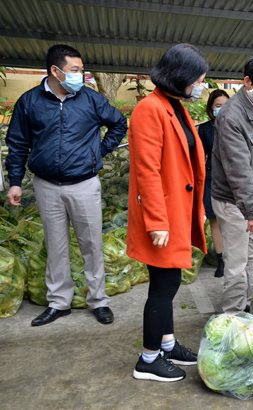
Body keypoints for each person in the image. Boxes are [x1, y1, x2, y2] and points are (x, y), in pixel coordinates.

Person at [5, 44, 127, 326]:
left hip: (84, 184)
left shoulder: (91, 100)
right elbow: (18, 143)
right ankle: (59, 303)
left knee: (92, 244)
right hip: (47, 185)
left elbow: (119, 123)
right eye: (75, 70)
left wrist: (98, 151)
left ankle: (98, 300)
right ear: (55, 71)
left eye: (82, 70)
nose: (81, 76)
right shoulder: (29, 102)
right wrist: (14, 182)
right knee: (55, 246)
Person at [126, 44, 208, 382]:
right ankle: (147, 359)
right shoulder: (150, 109)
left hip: (178, 210)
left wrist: (197, 209)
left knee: (169, 282)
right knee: (165, 284)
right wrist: (157, 221)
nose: (202, 85)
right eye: (199, 79)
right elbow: (147, 170)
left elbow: (188, 164)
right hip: (161, 214)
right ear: (181, 76)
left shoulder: (173, 105)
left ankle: (168, 344)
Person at [211, 54, 253, 313]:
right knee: (238, 264)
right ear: (248, 82)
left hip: (251, 199)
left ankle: (251, 308)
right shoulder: (231, 115)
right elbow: (238, 170)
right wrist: (252, 211)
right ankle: (233, 319)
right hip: (233, 202)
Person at [197, 89, 230, 278]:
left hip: (232, 180)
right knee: (215, 221)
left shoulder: (237, 126)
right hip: (211, 178)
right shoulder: (205, 129)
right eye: (218, 106)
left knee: (232, 220)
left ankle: (235, 257)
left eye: (226, 106)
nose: (222, 109)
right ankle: (221, 260)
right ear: (211, 108)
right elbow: (200, 157)